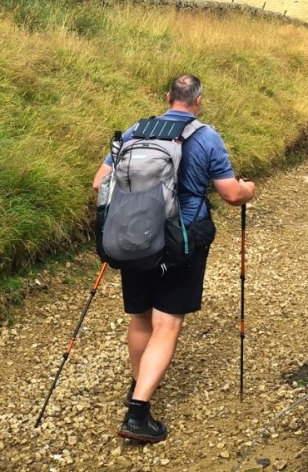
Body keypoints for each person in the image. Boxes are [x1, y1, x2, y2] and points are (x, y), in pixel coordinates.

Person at [92, 73, 255, 443]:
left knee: (141, 318)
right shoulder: (205, 136)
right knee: (167, 324)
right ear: (198, 101)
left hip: (134, 236)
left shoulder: (136, 131)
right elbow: (231, 194)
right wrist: (250, 189)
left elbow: (100, 182)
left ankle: (140, 386)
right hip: (182, 239)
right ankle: (137, 412)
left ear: (168, 97)